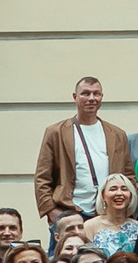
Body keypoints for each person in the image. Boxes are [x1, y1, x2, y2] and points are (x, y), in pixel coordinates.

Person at [34, 74, 129, 228]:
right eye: (85, 93)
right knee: (67, 252)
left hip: (107, 214)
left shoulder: (117, 134)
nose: (91, 98)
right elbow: (42, 177)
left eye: (96, 94)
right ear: (75, 97)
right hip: (69, 212)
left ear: (101, 97)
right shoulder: (56, 132)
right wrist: (51, 210)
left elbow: (127, 174)